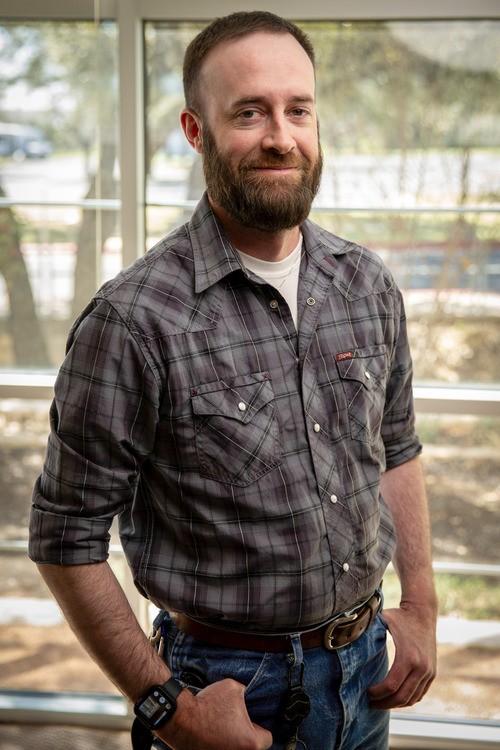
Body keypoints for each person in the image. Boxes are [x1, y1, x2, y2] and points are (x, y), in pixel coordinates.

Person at [28, 11, 437, 750]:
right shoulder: (133, 320)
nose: (281, 136)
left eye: (298, 110)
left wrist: (424, 609)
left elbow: (396, 448)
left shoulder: (366, 284)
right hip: (224, 691)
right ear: (196, 131)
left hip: (366, 670)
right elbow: (65, 537)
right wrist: (172, 712)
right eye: (249, 113)